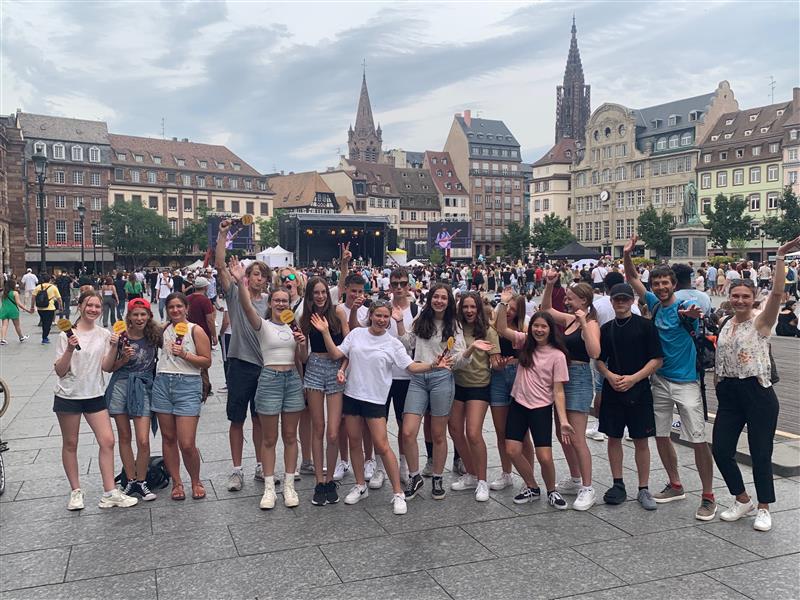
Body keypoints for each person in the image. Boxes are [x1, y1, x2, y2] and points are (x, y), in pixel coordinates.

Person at [311, 301, 452, 515]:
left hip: (375, 399)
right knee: (355, 442)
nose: (381, 320)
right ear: (371, 315)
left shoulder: (392, 343)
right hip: (352, 395)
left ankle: (398, 492)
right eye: (378, 315)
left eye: (386, 317)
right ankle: (360, 485)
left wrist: (433, 365)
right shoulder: (356, 334)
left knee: (382, 445)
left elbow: (410, 366)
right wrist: (324, 333)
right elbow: (336, 354)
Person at [623, 235, 717, 521]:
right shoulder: (653, 303)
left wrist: (691, 314)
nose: (661, 287)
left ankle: (709, 496)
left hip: (686, 381)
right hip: (660, 380)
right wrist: (627, 254)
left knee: (698, 439)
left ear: (674, 285)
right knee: (662, 435)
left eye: (666, 283)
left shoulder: (684, 306)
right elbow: (632, 278)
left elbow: (690, 314)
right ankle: (675, 484)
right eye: (657, 284)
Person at [713, 237, 800, 532]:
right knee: (721, 449)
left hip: (757, 393)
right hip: (729, 393)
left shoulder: (762, 322)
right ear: (729, 296)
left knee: (760, 452)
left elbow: (776, 293)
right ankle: (742, 499)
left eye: (745, 297)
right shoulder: (725, 322)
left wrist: (780, 256)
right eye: (735, 296)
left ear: (753, 299)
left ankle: (764, 507)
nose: (740, 300)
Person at [396, 283, 491, 500]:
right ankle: (415, 476)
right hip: (419, 377)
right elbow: (406, 343)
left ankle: (437, 478)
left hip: (441, 378)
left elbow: (459, 361)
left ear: (449, 302)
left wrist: (469, 350)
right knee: (408, 431)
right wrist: (399, 322)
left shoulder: (454, 325)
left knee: (439, 434)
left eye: (444, 298)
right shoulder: (421, 319)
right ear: (430, 298)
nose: (439, 301)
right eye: (436, 297)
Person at [229, 257, 307, 510]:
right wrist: (241, 280)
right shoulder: (262, 325)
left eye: (285, 301)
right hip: (269, 380)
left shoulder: (295, 326)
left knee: (290, 437)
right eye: (277, 300)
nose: (281, 304)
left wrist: (302, 343)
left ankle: (289, 486)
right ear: (270, 303)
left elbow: (302, 359)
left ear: (289, 304)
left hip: (292, 380)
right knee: (269, 438)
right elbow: (246, 306)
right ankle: (269, 488)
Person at [54, 290, 138, 511]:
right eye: (89, 305)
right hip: (69, 395)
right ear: (80, 306)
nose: (93, 309)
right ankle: (76, 491)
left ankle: (110, 492)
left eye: (97, 306)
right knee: (71, 443)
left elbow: (106, 367)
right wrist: (70, 348)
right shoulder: (66, 334)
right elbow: (60, 371)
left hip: (95, 394)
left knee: (107, 440)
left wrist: (114, 347)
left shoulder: (103, 334)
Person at [495, 304, 574, 509]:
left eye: (543, 326)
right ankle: (531, 486)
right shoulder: (524, 342)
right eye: (536, 326)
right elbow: (501, 328)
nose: (539, 330)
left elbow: (558, 391)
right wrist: (503, 303)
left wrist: (564, 420)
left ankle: (552, 490)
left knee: (545, 457)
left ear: (551, 329)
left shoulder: (557, 355)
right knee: (512, 450)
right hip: (519, 404)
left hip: (541, 408)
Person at [595, 283, 663, 510]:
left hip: (639, 388)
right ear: (611, 301)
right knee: (613, 437)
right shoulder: (606, 329)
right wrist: (609, 375)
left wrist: (634, 378)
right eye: (617, 299)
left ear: (632, 301)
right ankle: (618, 483)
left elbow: (657, 359)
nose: (621, 302)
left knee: (641, 439)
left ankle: (644, 487)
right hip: (613, 388)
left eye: (625, 299)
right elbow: (599, 360)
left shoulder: (646, 326)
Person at [215, 220, 270, 491]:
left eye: (262, 275)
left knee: (260, 419)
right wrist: (222, 234)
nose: (258, 278)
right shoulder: (236, 293)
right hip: (239, 363)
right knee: (236, 419)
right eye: (255, 274)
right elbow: (220, 266)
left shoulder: (271, 302)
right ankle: (237, 470)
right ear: (248, 276)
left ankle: (261, 464)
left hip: (264, 365)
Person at [540, 275, 600, 510]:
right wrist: (549, 285)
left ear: (584, 300)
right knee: (562, 433)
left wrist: (584, 323)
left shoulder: (590, 323)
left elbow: (594, 352)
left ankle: (588, 487)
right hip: (561, 377)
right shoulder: (569, 319)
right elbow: (546, 309)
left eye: (570, 298)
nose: (566, 302)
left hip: (579, 377)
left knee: (576, 437)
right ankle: (575, 477)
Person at [152, 292, 212, 501]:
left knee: (186, 442)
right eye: (171, 307)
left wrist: (185, 354)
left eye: (179, 306)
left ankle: (196, 480)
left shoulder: (196, 330)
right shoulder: (163, 330)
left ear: (186, 308)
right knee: (168, 438)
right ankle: (177, 482)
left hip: (187, 384)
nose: (175, 310)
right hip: (163, 383)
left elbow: (206, 361)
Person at [102, 297, 161, 501]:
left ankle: (142, 481)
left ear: (149, 316)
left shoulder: (155, 335)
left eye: (143, 314)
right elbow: (108, 368)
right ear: (129, 317)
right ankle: (130, 480)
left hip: (143, 387)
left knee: (143, 440)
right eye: (135, 314)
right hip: (121, 386)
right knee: (125, 436)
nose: (139, 318)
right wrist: (123, 358)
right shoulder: (120, 337)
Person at [299, 276, 349, 506]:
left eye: (323, 292)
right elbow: (302, 357)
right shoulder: (305, 318)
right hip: (314, 367)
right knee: (317, 428)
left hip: (335, 368)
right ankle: (320, 481)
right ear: (309, 296)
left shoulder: (338, 313)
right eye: (315, 293)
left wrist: (343, 369)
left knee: (333, 432)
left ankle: (330, 480)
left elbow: (348, 348)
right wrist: (301, 344)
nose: (320, 296)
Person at [448, 291, 500, 502]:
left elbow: (495, 361)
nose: (469, 310)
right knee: (454, 430)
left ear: (479, 309)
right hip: (457, 383)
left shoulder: (487, 330)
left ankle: (482, 480)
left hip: (479, 385)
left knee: (473, 432)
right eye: (465, 307)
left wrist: (501, 364)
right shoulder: (455, 328)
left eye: (473, 307)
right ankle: (471, 473)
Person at [488, 292, 534, 491]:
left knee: (523, 433)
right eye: (506, 307)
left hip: (519, 376)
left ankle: (528, 477)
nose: (509, 312)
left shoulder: (524, 328)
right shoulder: (492, 328)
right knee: (501, 431)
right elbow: (491, 355)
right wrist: (496, 364)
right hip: (498, 377)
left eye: (513, 309)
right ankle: (506, 473)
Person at [187, 276, 217, 401]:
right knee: (204, 361)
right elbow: (210, 320)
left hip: (189, 333)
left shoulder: (187, 299)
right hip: (203, 334)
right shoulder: (205, 301)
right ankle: (205, 387)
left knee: (192, 360)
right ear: (205, 287)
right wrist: (214, 335)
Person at [31, 273, 62, 344]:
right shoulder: (53, 287)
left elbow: (33, 297)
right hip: (50, 308)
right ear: (49, 280)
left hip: (40, 308)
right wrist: (60, 306)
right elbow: (59, 298)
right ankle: (44, 337)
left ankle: (45, 336)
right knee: (48, 323)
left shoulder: (38, 287)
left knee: (44, 322)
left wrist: (32, 306)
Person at [0, 276, 32, 344]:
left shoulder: (3, 293)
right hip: (13, 310)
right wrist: (27, 310)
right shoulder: (15, 293)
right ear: (12, 285)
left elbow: (2, 302)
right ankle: (21, 337)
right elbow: (19, 303)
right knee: (17, 325)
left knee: (4, 325)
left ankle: (3, 339)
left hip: (4, 310)